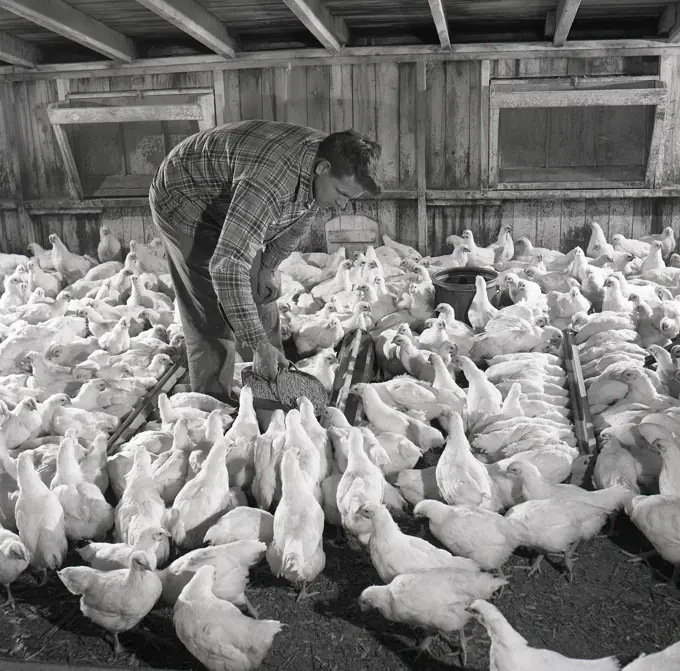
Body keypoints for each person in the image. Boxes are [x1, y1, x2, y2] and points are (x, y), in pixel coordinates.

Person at [149, 119, 382, 404]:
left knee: (263, 291)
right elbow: (227, 264)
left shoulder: (329, 157)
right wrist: (258, 342)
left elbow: (302, 215)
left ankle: (271, 377)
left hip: (234, 196)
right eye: (342, 194)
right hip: (184, 198)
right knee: (209, 307)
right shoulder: (271, 182)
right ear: (322, 169)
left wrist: (267, 267)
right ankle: (212, 401)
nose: (342, 205)